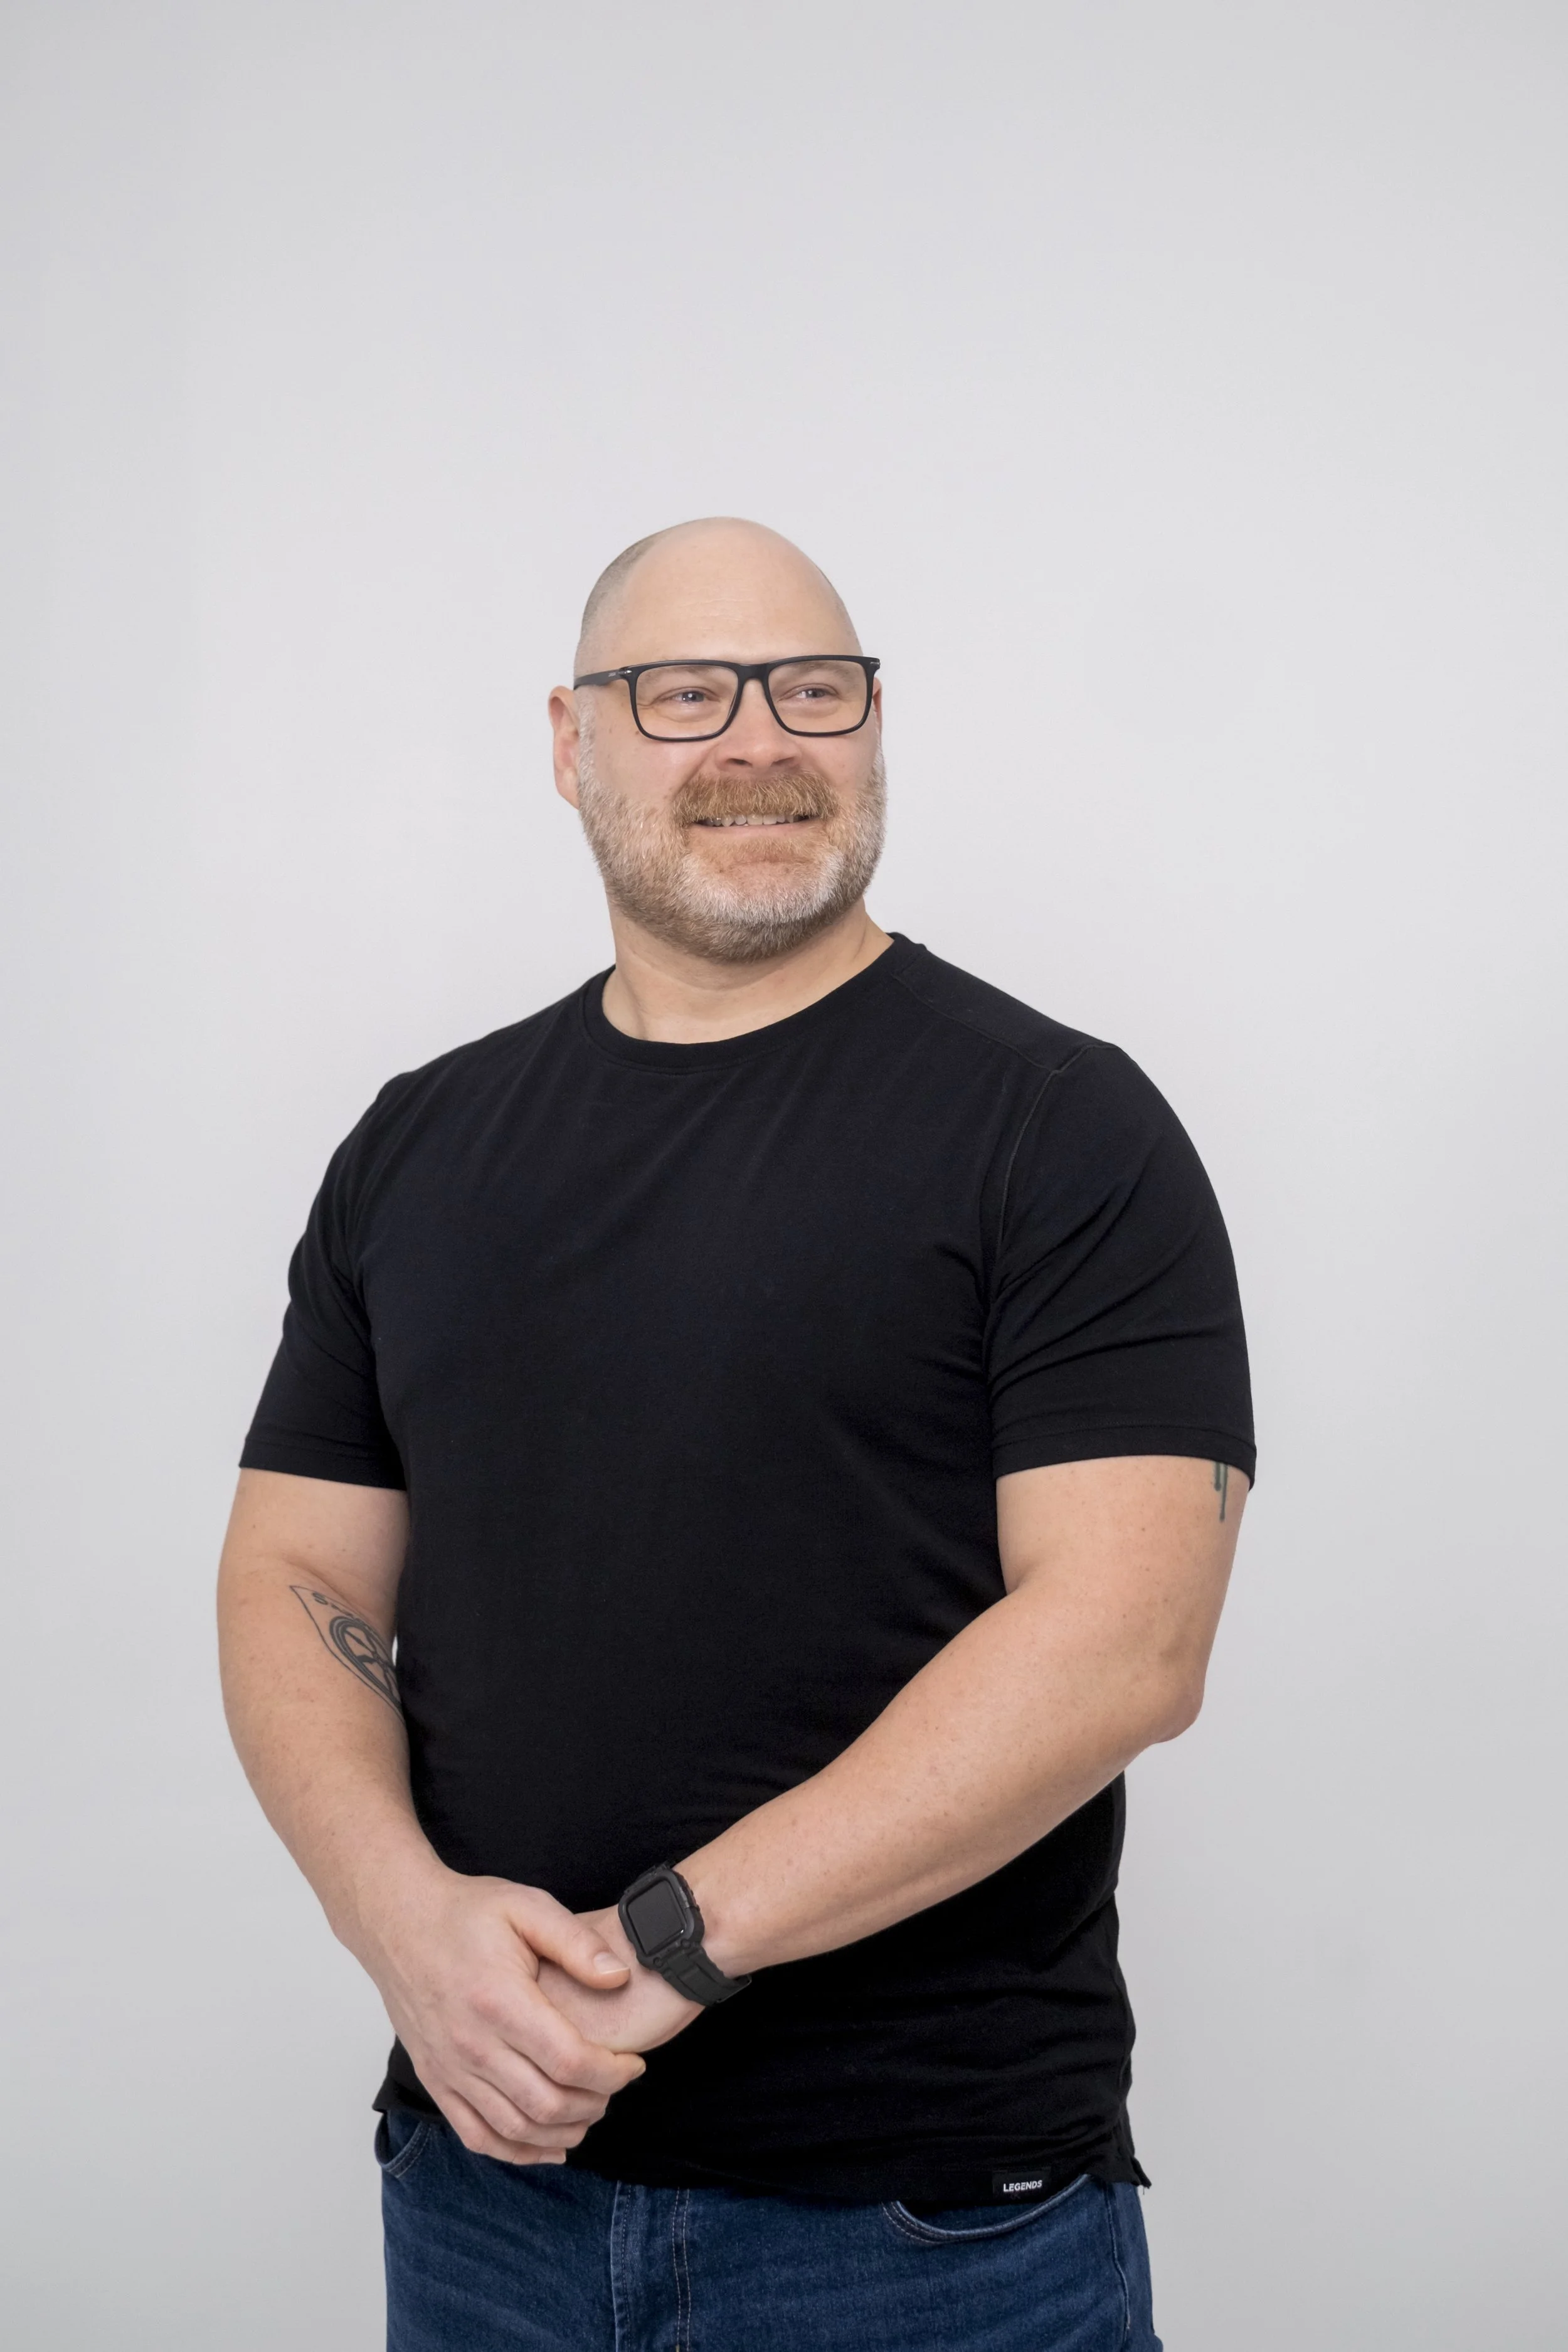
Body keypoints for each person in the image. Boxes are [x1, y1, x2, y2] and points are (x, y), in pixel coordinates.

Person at [218, 516, 1254, 2352]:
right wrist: (405, 1925)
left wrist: (664, 1949)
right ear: (570, 739)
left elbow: (1125, 1640)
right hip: (484, 2193)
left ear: (873, 724)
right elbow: (296, 1568)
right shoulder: (419, 1143)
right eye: (683, 691)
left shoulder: (1059, 1126)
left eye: (814, 688)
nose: (758, 739)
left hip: (924, 2226)